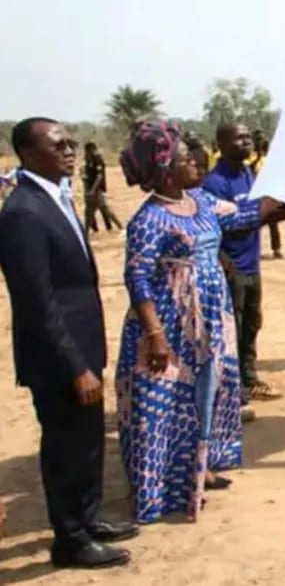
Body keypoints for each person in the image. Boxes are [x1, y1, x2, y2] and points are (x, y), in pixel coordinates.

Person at [116, 121, 285, 523]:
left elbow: (248, 212)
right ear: (164, 170)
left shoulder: (201, 201)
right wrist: (155, 335)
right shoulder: (149, 220)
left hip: (210, 320)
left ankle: (201, 467)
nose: (195, 161)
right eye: (184, 158)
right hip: (169, 325)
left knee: (207, 393)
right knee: (164, 405)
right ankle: (159, 490)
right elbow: (137, 277)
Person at [0, 117, 136, 569]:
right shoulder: (22, 212)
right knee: (65, 448)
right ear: (28, 153)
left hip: (82, 346)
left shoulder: (54, 197)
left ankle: (88, 519)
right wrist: (75, 364)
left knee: (90, 441)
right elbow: (37, 301)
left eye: (70, 142)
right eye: (58, 144)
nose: (69, 150)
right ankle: (70, 540)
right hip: (58, 357)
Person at [204, 122, 282, 402]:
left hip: (252, 264)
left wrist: (278, 212)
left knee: (251, 323)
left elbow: (255, 213)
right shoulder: (214, 182)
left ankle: (249, 379)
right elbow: (217, 224)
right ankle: (231, 389)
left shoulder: (249, 174)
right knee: (231, 329)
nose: (247, 142)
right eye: (240, 138)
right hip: (231, 268)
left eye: (248, 136)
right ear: (222, 145)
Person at [82, 141, 123, 236]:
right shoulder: (89, 159)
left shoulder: (97, 159)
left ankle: (121, 227)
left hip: (96, 190)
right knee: (89, 212)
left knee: (105, 210)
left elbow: (99, 176)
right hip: (91, 190)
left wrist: (93, 190)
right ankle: (85, 234)